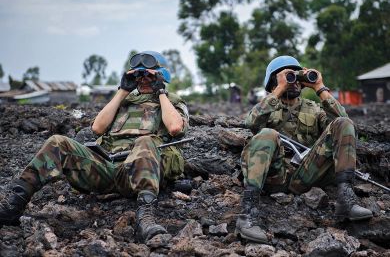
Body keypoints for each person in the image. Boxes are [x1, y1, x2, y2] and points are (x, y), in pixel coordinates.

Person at [0, 51, 189, 243]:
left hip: (142, 173)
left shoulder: (172, 102)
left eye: (150, 75)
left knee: (145, 141)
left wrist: (161, 93)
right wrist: (123, 91)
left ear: (161, 76)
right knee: (57, 142)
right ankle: (14, 205)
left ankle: (146, 217)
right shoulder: (124, 101)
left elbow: (175, 127)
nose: (144, 80)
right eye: (139, 75)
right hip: (109, 168)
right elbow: (97, 128)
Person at [235, 55, 373, 244]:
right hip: (275, 175)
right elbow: (250, 122)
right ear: (273, 81)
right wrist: (279, 89)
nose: (293, 82)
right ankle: (248, 215)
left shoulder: (314, 109)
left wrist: (319, 88)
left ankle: (346, 199)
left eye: (296, 77)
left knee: (342, 123)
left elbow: (346, 127)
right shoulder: (268, 105)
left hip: (305, 175)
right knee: (267, 133)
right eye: (288, 76)